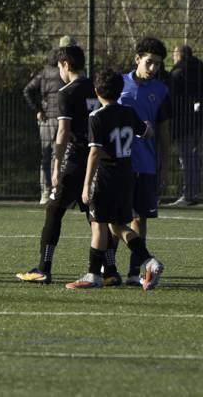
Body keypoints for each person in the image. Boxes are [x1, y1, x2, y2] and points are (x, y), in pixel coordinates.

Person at [66, 68, 164, 290]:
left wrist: (86, 185)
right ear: (120, 91)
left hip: (106, 176)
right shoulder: (128, 112)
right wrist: (148, 127)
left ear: (97, 91)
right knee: (118, 226)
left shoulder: (96, 116)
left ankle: (93, 275)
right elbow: (146, 132)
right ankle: (149, 261)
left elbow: (95, 152)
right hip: (126, 176)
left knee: (99, 224)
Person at [16, 45, 100, 285]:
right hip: (96, 157)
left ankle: (44, 268)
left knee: (54, 209)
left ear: (65, 65)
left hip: (75, 158)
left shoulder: (67, 92)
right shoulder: (96, 88)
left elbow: (63, 132)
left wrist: (56, 165)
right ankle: (108, 268)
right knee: (96, 215)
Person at [111, 37, 172, 286]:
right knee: (113, 217)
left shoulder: (161, 91)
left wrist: (165, 166)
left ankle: (135, 272)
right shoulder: (118, 84)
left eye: (158, 64)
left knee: (140, 218)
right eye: (149, 62)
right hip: (117, 163)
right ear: (137, 59)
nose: (153, 68)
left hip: (146, 165)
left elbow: (164, 132)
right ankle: (109, 268)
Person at [23, 36, 74, 204]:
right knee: (63, 156)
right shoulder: (73, 71)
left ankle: (46, 192)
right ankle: (59, 192)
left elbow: (28, 90)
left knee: (48, 156)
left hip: (48, 119)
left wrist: (38, 109)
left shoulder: (45, 71)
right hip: (65, 118)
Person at [168, 44, 203, 206]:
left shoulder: (176, 73)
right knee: (195, 158)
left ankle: (189, 194)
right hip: (200, 120)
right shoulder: (200, 70)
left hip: (183, 123)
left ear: (178, 56)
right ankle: (194, 193)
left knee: (186, 159)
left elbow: (173, 101)